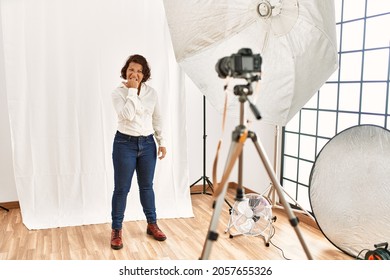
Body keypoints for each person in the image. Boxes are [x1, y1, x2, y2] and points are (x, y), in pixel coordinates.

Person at [110, 54, 167, 250]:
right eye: (131, 69)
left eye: (139, 71)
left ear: (144, 74)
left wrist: (161, 142)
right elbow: (126, 115)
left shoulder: (152, 93)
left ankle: (152, 224)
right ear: (126, 71)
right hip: (124, 144)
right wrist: (132, 92)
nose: (134, 73)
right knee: (121, 189)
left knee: (146, 187)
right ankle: (116, 229)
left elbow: (157, 118)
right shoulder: (118, 93)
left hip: (148, 144)